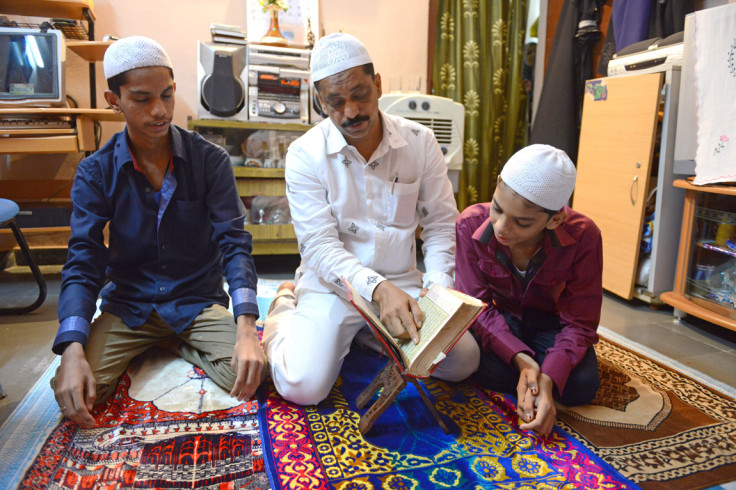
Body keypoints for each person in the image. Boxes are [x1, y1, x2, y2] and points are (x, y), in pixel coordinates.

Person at [51, 36, 263, 428]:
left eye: (166, 95)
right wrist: (72, 348)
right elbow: (84, 259)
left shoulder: (209, 161)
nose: (160, 110)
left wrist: (247, 327)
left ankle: (177, 338)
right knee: (75, 391)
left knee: (251, 376)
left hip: (195, 300)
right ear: (114, 100)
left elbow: (234, 243)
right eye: (142, 99)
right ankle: (164, 340)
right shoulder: (95, 173)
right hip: (130, 305)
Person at [263, 33, 480, 406]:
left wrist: (437, 290)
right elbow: (318, 245)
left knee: (463, 361)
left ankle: (367, 334)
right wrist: (378, 291)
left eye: (360, 94)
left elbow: (442, 224)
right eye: (336, 102)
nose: (351, 112)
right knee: (301, 387)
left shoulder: (420, 142)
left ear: (378, 85)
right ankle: (284, 305)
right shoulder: (305, 155)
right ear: (320, 101)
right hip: (333, 287)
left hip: (402, 283)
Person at [455, 144, 602, 436]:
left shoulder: (584, 236)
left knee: (582, 385)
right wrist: (522, 360)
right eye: (497, 209)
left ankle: (534, 376)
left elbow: (580, 322)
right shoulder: (469, 224)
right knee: (478, 367)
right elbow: (477, 307)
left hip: (552, 322)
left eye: (522, 222)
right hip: (503, 318)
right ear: (497, 185)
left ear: (555, 219)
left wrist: (546, 380)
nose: (501, 227)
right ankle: (529, 366)